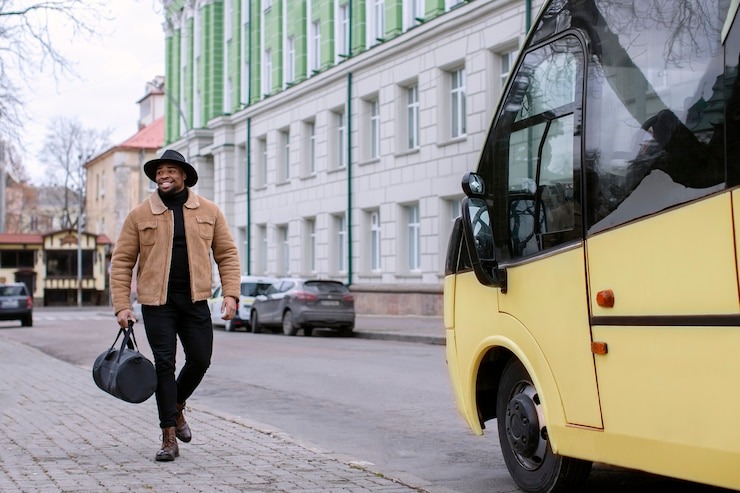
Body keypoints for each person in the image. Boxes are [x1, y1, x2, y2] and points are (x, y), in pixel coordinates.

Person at [109, 149, 241, 462]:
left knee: (200, 359)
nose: (164, 176)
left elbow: (227, 254)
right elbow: (122, 261)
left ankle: (177, 405)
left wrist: (231, 294)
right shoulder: (140, 215)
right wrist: (121, 306)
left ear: (183, 175)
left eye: (170, 170)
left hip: (195, 300)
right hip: (157, 303)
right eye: (159, 172)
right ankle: (169, 435)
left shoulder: (208, 211)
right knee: (164, 365)